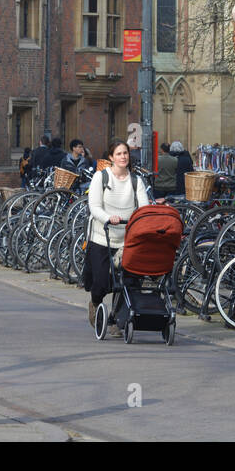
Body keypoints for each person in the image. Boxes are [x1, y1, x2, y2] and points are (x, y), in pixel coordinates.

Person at [84, 139, 152, 336]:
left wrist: (142, 220)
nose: (123, 157)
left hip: (127, 240)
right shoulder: (101, 177)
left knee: (128, 282)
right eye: (119, 154)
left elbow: (144, 208)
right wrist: (108, 218)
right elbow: (94, 206)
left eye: (126, 153)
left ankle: (115, 318)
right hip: (101, 237)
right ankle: (95, 303)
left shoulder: (136, 180)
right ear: (111, 157)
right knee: (101, 282)